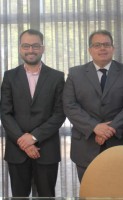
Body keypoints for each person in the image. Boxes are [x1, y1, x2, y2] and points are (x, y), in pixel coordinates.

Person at [63, 30, 123, 182]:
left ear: (113, 48)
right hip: (86, 147)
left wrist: (110, 129)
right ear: (89, 50)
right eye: (97, 45)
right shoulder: (75, 73)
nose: (102, 48)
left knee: (122, 194)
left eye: (106, 44)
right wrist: (95, 127)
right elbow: (69, 105)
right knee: (90, 194)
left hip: (122, 143)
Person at [0, 29, 65, 197]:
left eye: (35, 46)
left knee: (46, 195)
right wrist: (24, 141)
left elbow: (59, 114)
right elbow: (5, 113)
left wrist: (33, 137)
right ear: (20, 48)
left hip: (47, 150)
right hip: (17, 150)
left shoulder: (57, 77)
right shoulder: (9, 76)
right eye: (26, 46)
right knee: (19, 196)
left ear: (42, 48)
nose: (31, 50)